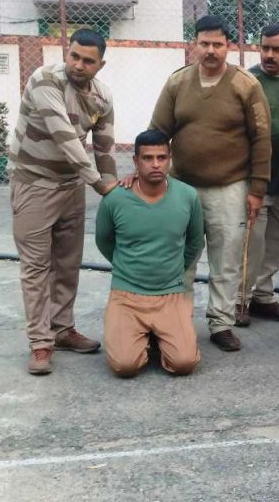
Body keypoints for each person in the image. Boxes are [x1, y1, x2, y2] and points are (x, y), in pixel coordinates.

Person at [149, 15, 271, 352]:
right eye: (204, 44)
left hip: (230, 187)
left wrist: (257, 189)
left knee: (226, 259)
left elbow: (262, 139)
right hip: (181, 188)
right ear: (194, 45)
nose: (211, 51)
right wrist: (149, 175)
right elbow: (158, 131)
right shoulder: (177, 83)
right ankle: (177, 322)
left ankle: (221, 323)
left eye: (218, 44)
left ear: (228, 46)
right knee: (180, 259)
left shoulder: (246, 85)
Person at [9, 29, 118, 375]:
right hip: (34, 184)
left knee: (68, 264)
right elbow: (66, 138)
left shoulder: (102, 96)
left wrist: (112, 184)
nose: (78, 65)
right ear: (66, 53)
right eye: (74, 56)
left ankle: (62, 328)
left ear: (100, 65)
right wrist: (100, 185)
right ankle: (41, 343)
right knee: (37, 268)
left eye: (88, 61)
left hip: (71, 186)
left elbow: (104, 146)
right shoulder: (46, 81)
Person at [96, 130, 203, 378]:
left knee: (184, 363)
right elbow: (103, 241)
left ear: (169, 159)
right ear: (135, 161)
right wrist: (126, 266)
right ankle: (137, 335)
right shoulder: (115, 199)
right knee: (125, 366)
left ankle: (158, 335)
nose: (155, 164)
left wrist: (174, 269)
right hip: (127, 294)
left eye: (161, 157)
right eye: (147, 158)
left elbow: (195, 242)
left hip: (170, 293)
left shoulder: (188, 196)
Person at [240, 23, 279, 324]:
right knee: (252, 244)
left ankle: (263, 297)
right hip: (255, 180)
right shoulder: (246, 81)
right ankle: (239, 301)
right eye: (265, 48)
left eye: (276, 49)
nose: (269, 55)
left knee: (275, 243)